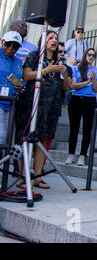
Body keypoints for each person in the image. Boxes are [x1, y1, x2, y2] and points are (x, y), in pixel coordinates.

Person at [15, 31, 72, 189]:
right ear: (44, 41)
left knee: (44, 139)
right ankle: (23, 176)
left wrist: (64, 73)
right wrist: (47, 70)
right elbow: (26, 75)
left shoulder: (59, 62)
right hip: (33, 104)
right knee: (25, 138)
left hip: (52, 106)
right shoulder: (34, 56)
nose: (54, 41)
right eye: (50, 38)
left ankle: (38, 176)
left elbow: (66, 87)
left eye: (55, 38)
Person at [65, 48, 97, 166]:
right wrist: (87, 82)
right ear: (85, 55)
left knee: (87, 129)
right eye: (89, 54)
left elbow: (96, 89)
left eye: (94, 55)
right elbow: (73, 85)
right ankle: (71, 154)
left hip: (90, 101)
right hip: (76, 100)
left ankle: (82, 155)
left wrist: (94, 80)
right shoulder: (76, 69)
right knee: (73, 129)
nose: (91, 57)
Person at [0, 32, 24, 145]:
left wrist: (21, 85)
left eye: (15, 46)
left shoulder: (18, 62)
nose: (11, 48)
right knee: (1, 138)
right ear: (2, 42)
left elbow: (18, 79)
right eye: (8, 44)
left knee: (4, 140)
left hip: (10, 105)